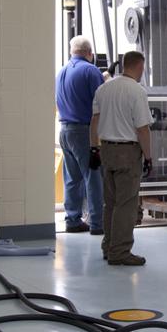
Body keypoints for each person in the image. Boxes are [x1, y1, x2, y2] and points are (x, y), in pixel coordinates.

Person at [90, 51, 154, 266]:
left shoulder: (103, 88)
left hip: (106, 150)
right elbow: (142, 129)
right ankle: (120, 252)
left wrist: (93, 149)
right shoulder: (137, 91)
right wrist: (148, 157)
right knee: (126, 204)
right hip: (127, 152)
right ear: (139, 67)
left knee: (110, 203)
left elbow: (94, 121)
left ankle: (109, 246)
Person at [56, 36, 105, 234]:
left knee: (72, 178)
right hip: (84, 132)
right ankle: (97, 223)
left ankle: (73, 220)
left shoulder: (62, 72)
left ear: (72, 52)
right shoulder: (91, 71)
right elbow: (102, 101)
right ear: (89, 53)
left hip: (65, 131)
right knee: (93, 176)